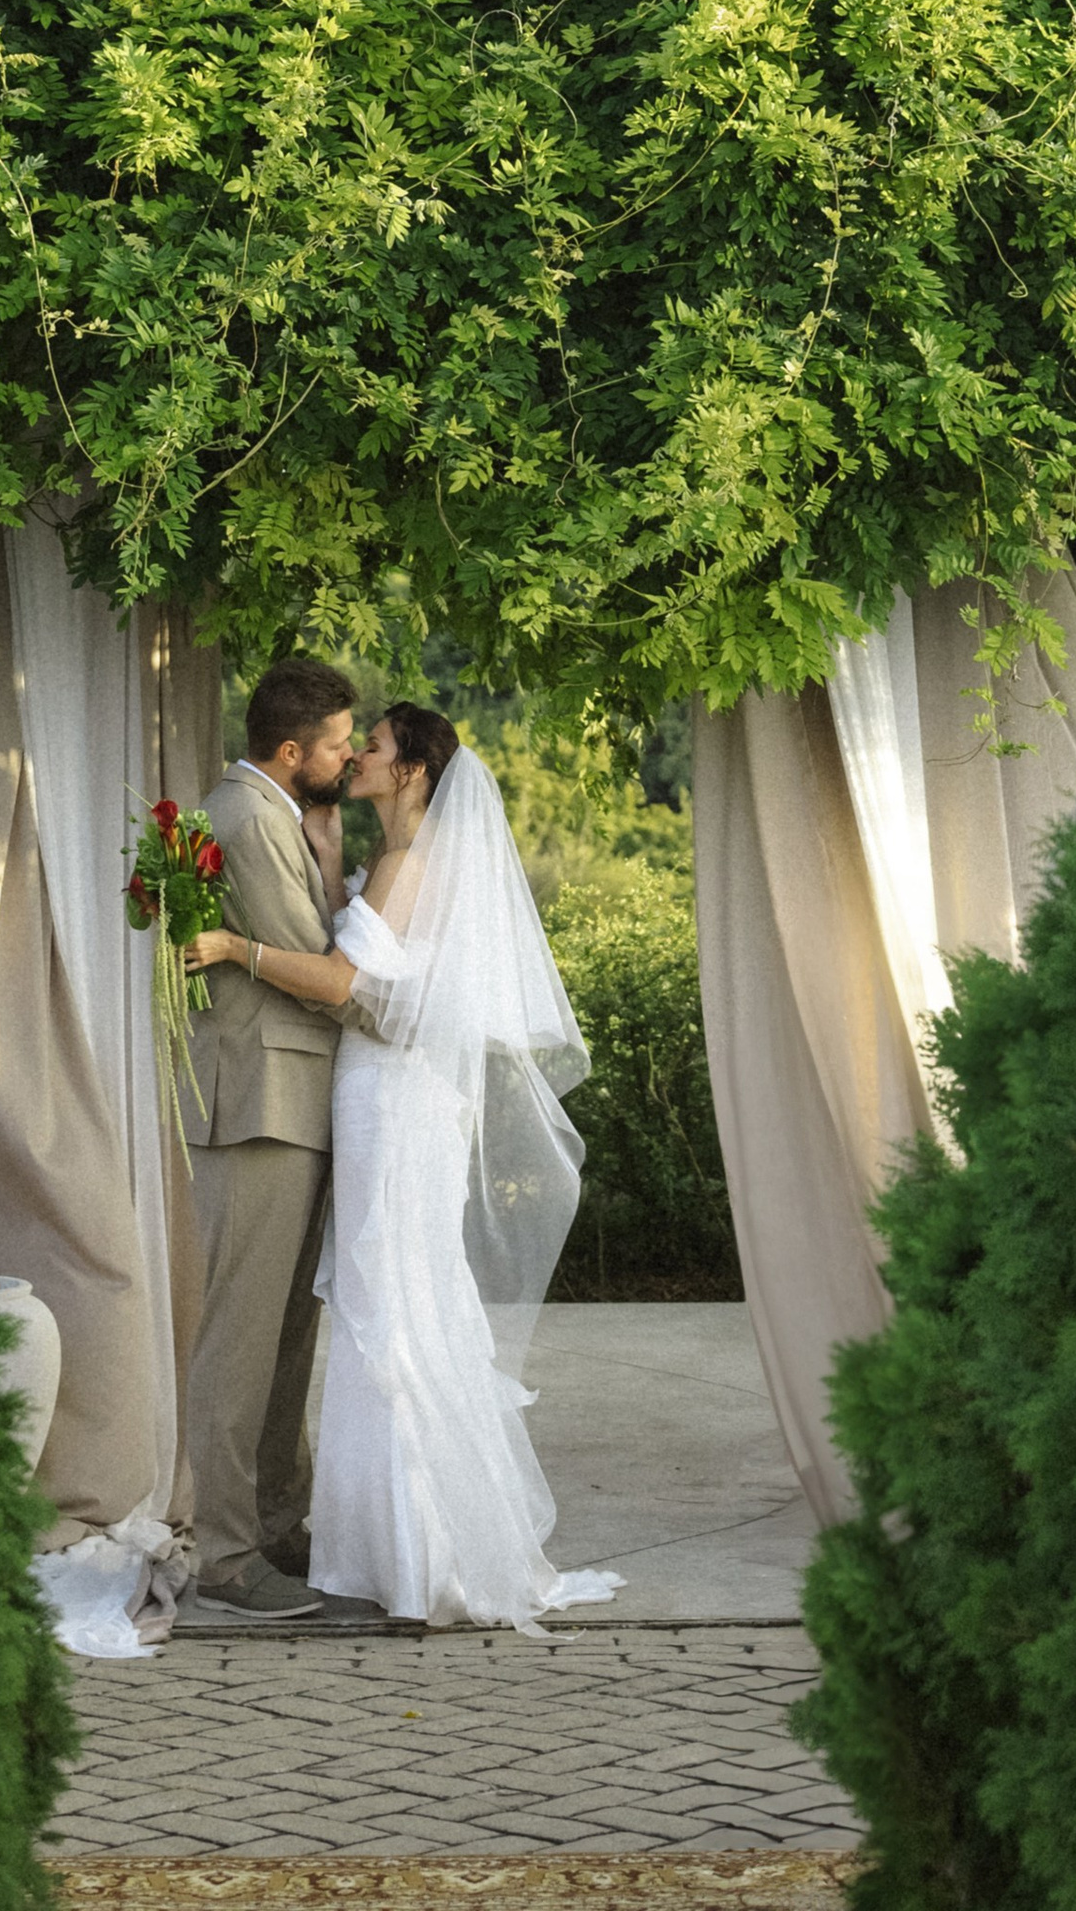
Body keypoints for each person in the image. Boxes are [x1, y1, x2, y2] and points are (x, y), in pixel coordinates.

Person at [187, 699, 622, 1633]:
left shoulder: (411, 864)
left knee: (391, 1306)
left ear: (413, 771)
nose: (358, 760)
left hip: (392, 1099)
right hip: (382, 1099)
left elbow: (349, 986)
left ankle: (414, 1558)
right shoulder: (397, 861)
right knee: (393, 1300)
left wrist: (232, 945)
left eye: (372, 748)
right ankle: (396, 1544)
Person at [179, 654, 364, 1617]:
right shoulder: (249, 817)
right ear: (290, 750)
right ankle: (222, 1554)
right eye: (337, 742)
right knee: (242, 1337)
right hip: (257, 1102)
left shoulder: (275, 812)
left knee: (290, 1330)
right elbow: (322, 967)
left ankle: (278, 1521)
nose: (347, 753)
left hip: (290, 1099)